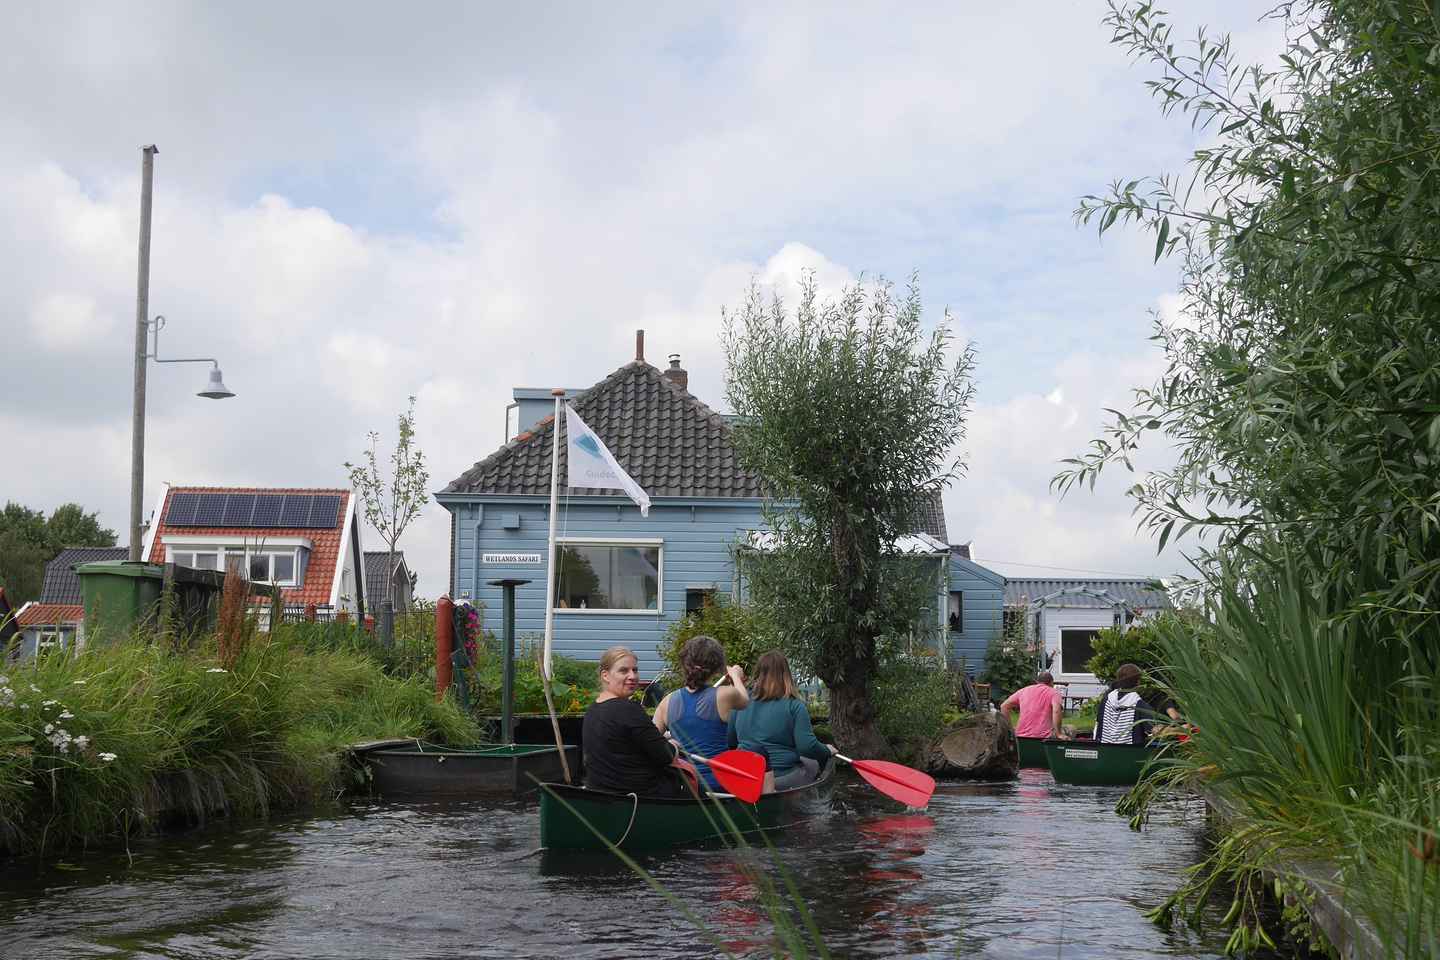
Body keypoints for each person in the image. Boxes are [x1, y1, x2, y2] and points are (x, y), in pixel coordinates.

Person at [583, 645, 689, 797]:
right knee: (690, 781)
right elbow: (666, 755)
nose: (632, 676)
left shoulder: (593, 709)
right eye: (623, 671)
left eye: (635, 670)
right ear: (605, 675)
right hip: (638, 796)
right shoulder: (628, 710)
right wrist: (674, 746)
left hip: (601, 794)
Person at [727, 650, 835, 791]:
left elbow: (731, 742)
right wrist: (826, 750)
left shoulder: (741, 702)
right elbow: (807, 746)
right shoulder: (795, 706)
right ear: (786, 675)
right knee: (813, 764)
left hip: (746, 775)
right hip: (780, 777)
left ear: (758, 674)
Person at [654, 635, 749, 791]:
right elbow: (744, 700)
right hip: (719, 785)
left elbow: (650, 741)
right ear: (716, 667)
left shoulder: (667, 701)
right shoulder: (724, 695)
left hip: (685, 786)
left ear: (685, 664)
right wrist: (735, 676)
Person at [1093, 663, 1161, 745]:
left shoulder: (1106, 700)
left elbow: (1098, 724)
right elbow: (1156, 730)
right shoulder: (1139, 705)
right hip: (1130, 750)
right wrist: (1174, 730)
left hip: (1104, 748)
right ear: (1138, 682)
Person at [999, 671, 1065, 741]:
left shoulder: (1023, 691)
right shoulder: (1054, 693)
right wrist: (1059, 734)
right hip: (1043, 738)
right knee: (1068, 730)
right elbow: (1057, 711)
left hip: (1020, 737)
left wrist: (1010, 729)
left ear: (1037, 682)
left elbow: (1004, 706)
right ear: (1051, 682)